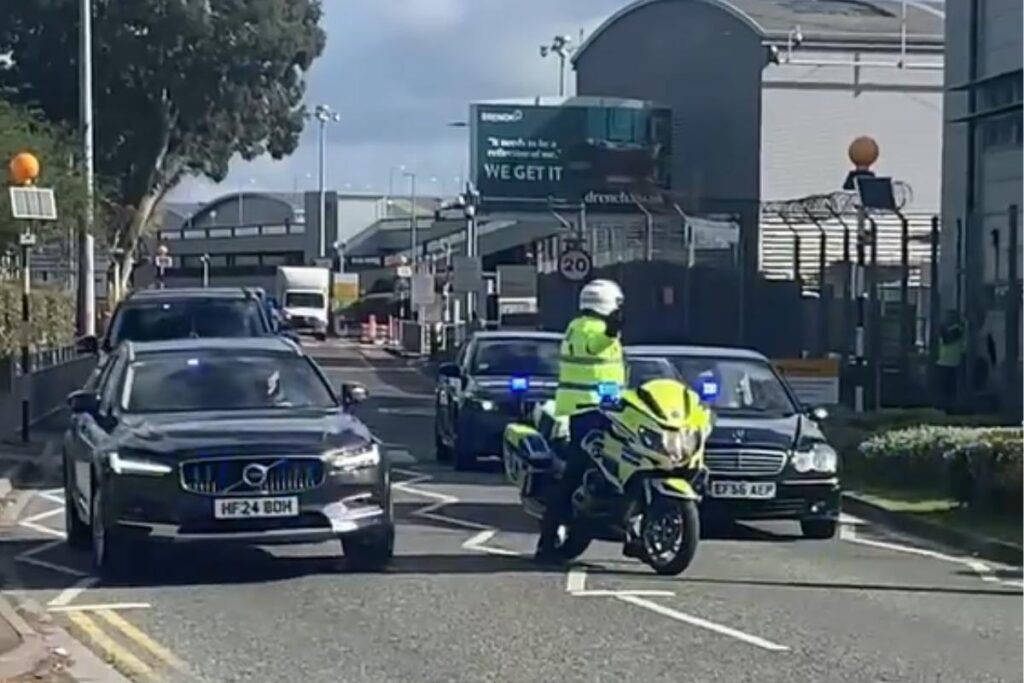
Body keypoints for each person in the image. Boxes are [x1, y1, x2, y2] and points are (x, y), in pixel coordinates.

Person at [536, 279, 627, 561]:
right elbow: (592, 347)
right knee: (574, 473)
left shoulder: (593, 328)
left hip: (607, 408)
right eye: (617, 305)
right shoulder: (584, 328)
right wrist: (611, 332)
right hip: (585, 410)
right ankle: (547, 541)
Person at [936, 310, 965, 411]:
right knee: (943, 388)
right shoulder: (945, 329)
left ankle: (950, 408)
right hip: (943, 362)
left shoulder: (958, 329)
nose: (947, 319)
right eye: (946, 317)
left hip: (953, 363)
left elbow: (947, 339)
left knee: (950, 388)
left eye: (950, 317)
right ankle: (942, 406)